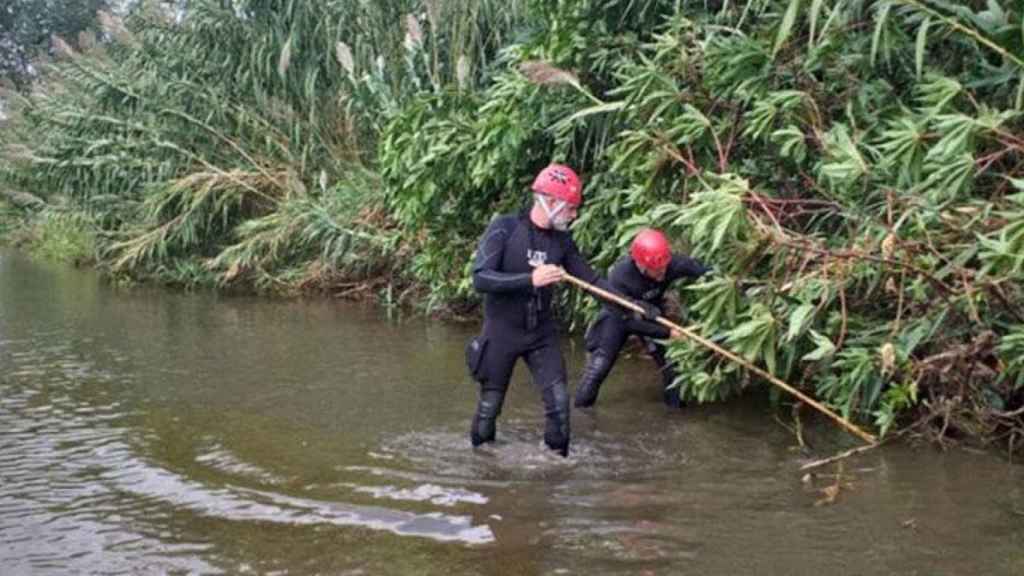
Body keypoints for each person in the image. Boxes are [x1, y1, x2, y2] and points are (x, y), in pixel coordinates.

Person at [465, 163, 640, 457]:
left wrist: (634, 306)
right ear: (551, 201)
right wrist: (529, 279)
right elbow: (481, 277)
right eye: (571, 208)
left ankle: (555, 471)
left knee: (560, 405)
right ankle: (483, 470)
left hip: (540, 335)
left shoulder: (562, 241)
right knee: (489, 409)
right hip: (501, 332)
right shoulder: (505, 228)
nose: (574, 215)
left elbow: (592, 281)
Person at [573, 228, 710, 409]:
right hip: (620, 317)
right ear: (641, 265)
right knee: (599, 368)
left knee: (671, 367)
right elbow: (629, 319)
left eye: (664, 268)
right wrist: (668, 332)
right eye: (656, 270)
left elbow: (701, 269)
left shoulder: (671, 264)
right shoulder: (621, 275)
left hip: (653, 314)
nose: (662, 273)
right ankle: (582, 411)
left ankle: (675, 411)